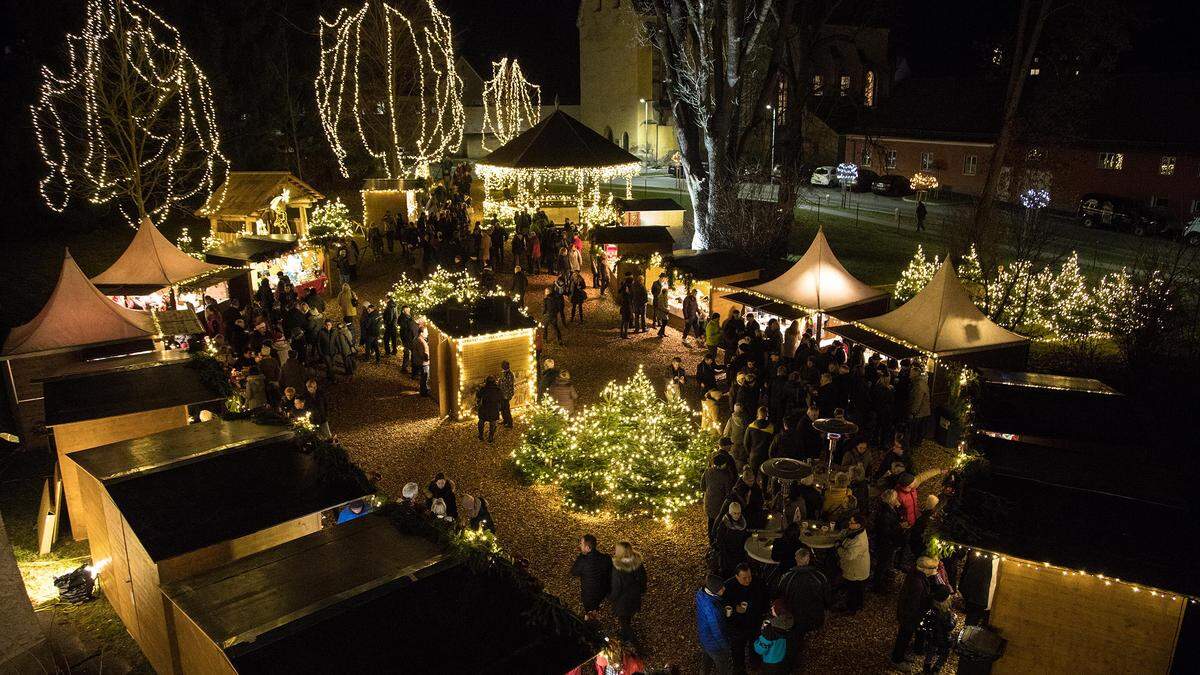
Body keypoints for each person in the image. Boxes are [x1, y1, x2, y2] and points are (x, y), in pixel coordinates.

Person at [772, 546, 829, 668]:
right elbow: (827, 596)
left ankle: (793, 663)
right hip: (814, 615)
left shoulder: (787, 578)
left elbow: (780, 595)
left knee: (795, 639)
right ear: (808, 559)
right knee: (801, 635)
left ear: (796, 559)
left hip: (794, 616)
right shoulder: (819, 576)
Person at [892, 556, 944, 666]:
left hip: (907, 614)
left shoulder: (916, 575)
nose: (933, 572)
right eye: (932, 569)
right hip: (909, 616)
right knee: (903, 637)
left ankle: (900, 655)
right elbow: (914, 604)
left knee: (904, 636)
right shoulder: (918, 584)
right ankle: (896, 660)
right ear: (925, 569)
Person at [724, 563, 764, 674]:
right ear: (737, 577)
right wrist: (735, 609)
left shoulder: (758, 582)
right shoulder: (728, 587)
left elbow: (764, 599)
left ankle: (755, 664)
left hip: (754, 623)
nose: (748, 580)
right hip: (737, 626)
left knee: (755, 646)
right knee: (737, 650)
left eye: (749, 576)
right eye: (744, 578)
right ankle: (740, 669)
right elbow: (724, 607)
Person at [609, 541, 647, 644]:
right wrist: (641, 591)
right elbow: (643, 578)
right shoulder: (637, 563)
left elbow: (617, 586)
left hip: (623, 601)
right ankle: (625, 634)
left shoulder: (617, 567)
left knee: (624, 621)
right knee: (628, 617)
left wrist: (612, 598)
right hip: (635, 597)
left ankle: (631, 640)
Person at [696, 574, 734, 675]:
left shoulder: (700, 593)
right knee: (722, 666)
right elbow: (718, 633)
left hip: (704, 637)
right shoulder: (713, 610)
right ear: (713, 591)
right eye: (721, 588)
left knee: (706, 659)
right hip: (715, 645)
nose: (724, 589)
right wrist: (726, 647)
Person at [570, 534, 612, 621]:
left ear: (588, 548)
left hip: (589, 594)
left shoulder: (583, 561)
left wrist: (581, 557)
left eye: (581, 544)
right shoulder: (605, 558)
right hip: (602, 592)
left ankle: (591, 626)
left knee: (590, 613)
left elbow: (574, 572)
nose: (580, 545)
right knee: (594, 608)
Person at [872, 489, 907, 593]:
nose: (897, 499)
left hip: (888, 542)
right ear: (891, 499)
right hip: (886, 543)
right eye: (895, 498)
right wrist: (900, 526)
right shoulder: (885, 513)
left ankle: (883, 580)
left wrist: (899, 506)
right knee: (882, 563)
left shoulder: (890, 508)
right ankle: (878, 585)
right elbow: (886, 531)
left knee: (885, 562)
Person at [835, 513, 870, 614]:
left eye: (851, 522)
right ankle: (858, 605)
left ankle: (851, 609)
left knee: (853, 590)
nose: (849, 523)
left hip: (855, 570)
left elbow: (848, 555)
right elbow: (845, 532)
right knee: (857, 590)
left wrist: (838, 547)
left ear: (858, 525)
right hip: (857, 569)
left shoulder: (858, 540)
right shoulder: (857, 531)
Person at [918, 585, 955, 673]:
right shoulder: (945, 613)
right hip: (943, 636)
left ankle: (926, 668)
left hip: (931, 635)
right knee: (945, 652)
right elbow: (949, 626)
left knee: (930, 651)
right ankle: (936, 669)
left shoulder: (930, 605)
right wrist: (953, 620)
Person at [710, 501, 750, 578]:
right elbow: (720, 539)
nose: (737, 515)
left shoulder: (743, 522)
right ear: (730, 512)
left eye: (738, 513)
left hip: (739, 551)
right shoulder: (724, 524)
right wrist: (725, 553)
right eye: (734, 513)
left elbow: (744, 535)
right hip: (728, 554)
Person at [702, 453, 737, 532]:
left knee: (710, 521)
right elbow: (728, 493)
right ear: (723, 464)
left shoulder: (707, 471)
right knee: (719, 524)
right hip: (720, 504)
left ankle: (711, 539)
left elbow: (702, 486)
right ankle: (717, 539)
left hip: (708, 501)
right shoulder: (725, 476)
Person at [754, 610, 794, 674]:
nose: (772, 608)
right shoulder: (788, 624)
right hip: (783, 659)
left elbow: (759, 650)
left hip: (770, 663)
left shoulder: (768, 634)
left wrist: (757, 641)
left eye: (773, 609)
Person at [475, 375, 504, 442]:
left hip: (484, 408)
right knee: (493, 423)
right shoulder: (498, 390)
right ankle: (490, 437)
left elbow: (478, 396)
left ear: (486, 381)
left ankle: (481, 436)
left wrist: (477, 391)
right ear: (494, 382)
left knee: (481, 421)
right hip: (494, 409)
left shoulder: (483, 389)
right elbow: (501, 398)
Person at [497, 361, 516, 427]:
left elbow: (509, 385)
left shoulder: (510, 374)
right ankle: (505, 420)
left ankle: (510, 423)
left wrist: (507, 395)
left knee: (506, 409)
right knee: (503, 409)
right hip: (502, 394)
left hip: (506, 395)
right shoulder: (503, 373)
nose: (502, 367)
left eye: (503, 365)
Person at [413, 326, 430, 396]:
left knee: (423, 377)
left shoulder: (416, 339)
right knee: (425, 377)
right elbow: (423, 354)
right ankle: (424, 392)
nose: (427, 334)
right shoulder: (421, 341)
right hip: (423, 363)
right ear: (421, 333)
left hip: (419, 361)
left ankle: (423, 390)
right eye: (426, 332)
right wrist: (428, 359)